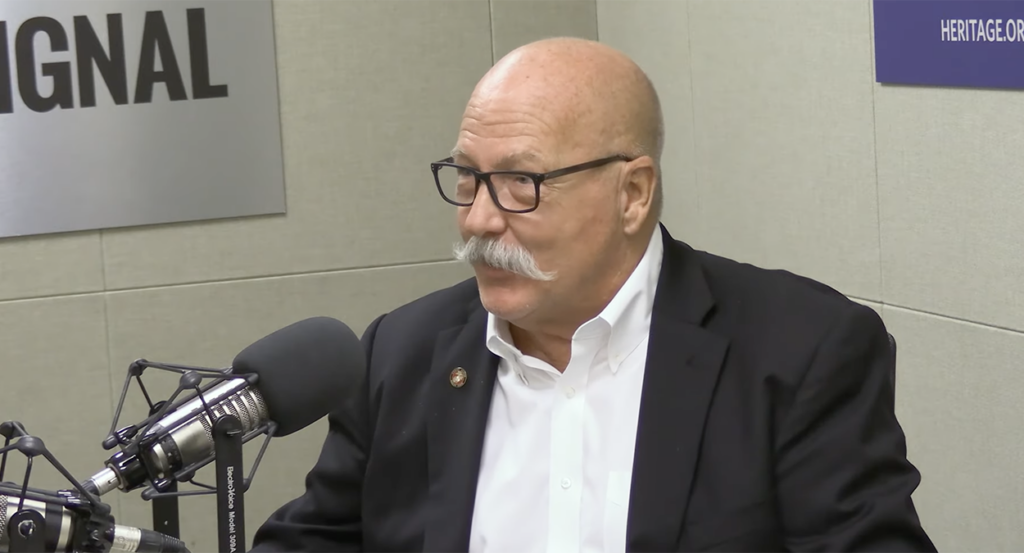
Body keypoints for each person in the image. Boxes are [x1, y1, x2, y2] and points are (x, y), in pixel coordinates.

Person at [248, 37, 937, 553]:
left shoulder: (799, 351)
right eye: (466, 177)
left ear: (632, 193)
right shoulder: (402, 353)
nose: (480, 219)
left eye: (522, 182)